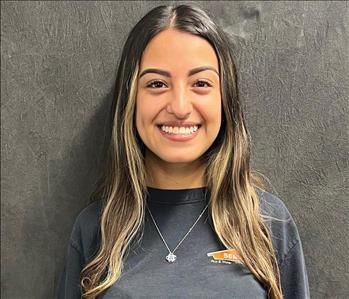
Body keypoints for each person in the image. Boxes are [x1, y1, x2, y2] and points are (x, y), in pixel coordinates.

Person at [57, 4, 310, 299]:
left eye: (201, 83)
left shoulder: (268, 223)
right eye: (156, 84)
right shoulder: (95, 229)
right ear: (131, 100)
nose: (179, 107)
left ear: (225, 100)